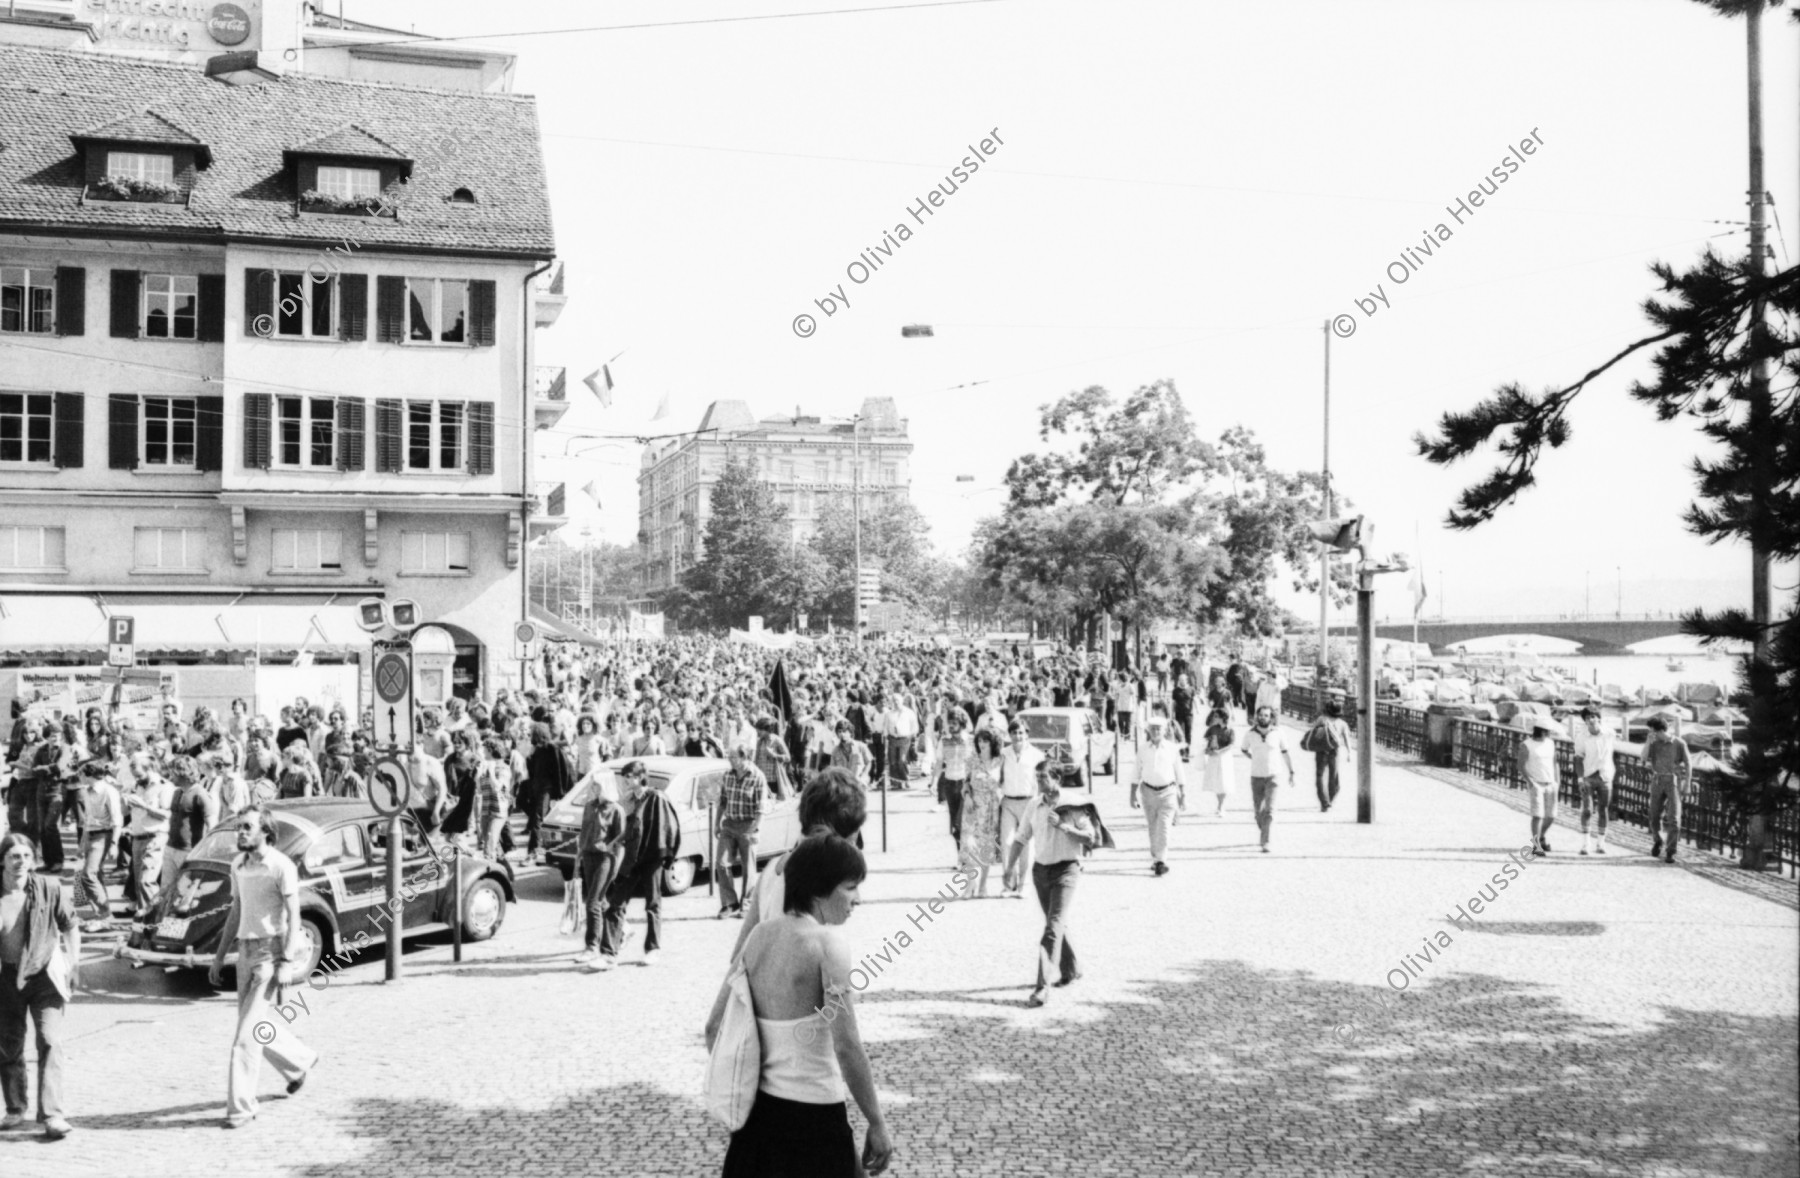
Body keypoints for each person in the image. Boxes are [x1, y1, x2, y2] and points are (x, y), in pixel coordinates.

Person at [711, 833, 892, 1177]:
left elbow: (718, 1025)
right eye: (851, 887)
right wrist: (877, 1123)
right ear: (820, 887)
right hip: (815, 1121)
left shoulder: (758, 936)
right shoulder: (828, 945)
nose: (858, 899)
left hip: (758, 1119)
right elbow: (848, 1045)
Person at [209, 808, 318, 1129]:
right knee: (253, 1025)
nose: (239, 833)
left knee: (244, 1037)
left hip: (270, 955)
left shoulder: (281, 866)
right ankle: (299, 1061)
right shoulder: (238, 865)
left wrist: (286, 961)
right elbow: (236, 911)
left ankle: (241, 1108)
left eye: (246, 827)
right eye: (238, 827)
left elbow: (293, 916)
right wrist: (219, 956)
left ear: (265, 832)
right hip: (244, 952)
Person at [0, 833, 78, 1140]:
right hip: (5, 978)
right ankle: (15, 1108)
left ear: (33, 860)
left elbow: (71, 926)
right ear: (2, 860)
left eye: (26, 856)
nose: (20, 863)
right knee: (8, 1045)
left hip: (44, 975)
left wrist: (74, 964)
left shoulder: (49, 887)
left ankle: (52, 1114)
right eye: (13, 856)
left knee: (49, 1040)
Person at [1006, 762, 1098, 1008]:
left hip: (1067, 871)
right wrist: (1009, 867)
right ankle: (1071, 968)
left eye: (1044, 777)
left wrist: (1064, 826)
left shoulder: (1073, 804)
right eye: (1037, 777)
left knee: (1052, 927)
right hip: (1041, 872)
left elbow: (1090, 837)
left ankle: (1041, 987)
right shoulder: (1034, 805)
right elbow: (1021, 837)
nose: (1039, 782)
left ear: (1056, 778)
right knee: (1054, 923)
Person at [600, 761, 680, 966]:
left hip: (651, 858)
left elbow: (667, 829)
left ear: (640, 777)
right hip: (632, 857)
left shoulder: (657, 797)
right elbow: (628, 830)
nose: (626, 780)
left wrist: (664, 857)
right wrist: (613, 843)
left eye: (630, 776)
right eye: (625, 776)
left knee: (653, 903)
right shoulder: (628, 800)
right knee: (616, 903)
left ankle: (653, 949)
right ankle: (609, 953)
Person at [572, 771, 625, 972]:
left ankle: (592, 945)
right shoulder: (589, 806)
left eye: (596, 785)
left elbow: (620, 840)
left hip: (605, 858)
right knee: (600, 901)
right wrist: (579, 854)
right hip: (588, 855)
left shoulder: (616, 810)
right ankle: (622, 930)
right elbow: (584, 832)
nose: (593, 788)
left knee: (593, 902)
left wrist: (616, 866)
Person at [714, 743, 768, 918]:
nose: (730, 760)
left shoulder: (757, 777)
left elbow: (761, 809)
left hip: (749, 824)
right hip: (729, 824)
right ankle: (730, 903)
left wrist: (754, 830)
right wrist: (717, 823)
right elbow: (723, 801)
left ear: (745, 757)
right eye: (729, 757)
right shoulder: (728, 775)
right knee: (722, 864)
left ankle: (747, 904)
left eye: (734, 757)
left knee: (749, 868)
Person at [1130, 715, 1186, 876]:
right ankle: (1156, 857)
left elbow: (1179, 772)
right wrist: (1132, 794)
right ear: (1148, 730)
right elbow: (1136, 772)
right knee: (1153, 827)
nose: (1155, 731)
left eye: (1158, 728)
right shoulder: (1142, 749)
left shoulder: (1171, 748)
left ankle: (1161, 860)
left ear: (1164, 731)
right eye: (1153, 728)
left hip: (1168, 792)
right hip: (1147, 792)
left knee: (1164, 828)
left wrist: (1183, 794)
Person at [123, 756, 175, 916]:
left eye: (139, 775)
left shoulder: (164, 786)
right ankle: (145, 920)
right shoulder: (135, 786)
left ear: (150, 769)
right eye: (134, 775)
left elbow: (167, 814)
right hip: (137, 837)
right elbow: (126, 812)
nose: (136, 779)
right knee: (140, 883)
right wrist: (124, 801)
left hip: (155, 836)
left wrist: (143, 805)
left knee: (147, 881)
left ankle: (153, 919)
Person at [996, 721, 1043, 898]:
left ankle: (1024, 886)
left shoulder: (1036, 755)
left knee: (1025, 846)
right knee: (1007, 843)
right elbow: (997, 776)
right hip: (1008, 801)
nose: (1018, 736)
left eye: (1021, 733)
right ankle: (1009, 886)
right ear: (1010, 735)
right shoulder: (1004, 754)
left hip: (1028, 802)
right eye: (1014, 732)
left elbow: (1040, 781)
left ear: (1027, 734)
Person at [72, 763, 122, 930]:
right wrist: (81, 844)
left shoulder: (109, 791)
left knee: (88, 874)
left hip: (104, 834)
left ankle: (104, 913)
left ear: (89, 775)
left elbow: (117, 820)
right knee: (96, 875)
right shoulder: (86, 791)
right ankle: (103, 916)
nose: (79, 777)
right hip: (91, 835)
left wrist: (114, 844)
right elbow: (87, 820)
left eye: (81, 774)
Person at [1240, 706, 1295, 853]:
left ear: (1271, 718)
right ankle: (1264, 830)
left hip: (1273, 776)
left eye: (1266, 715)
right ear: (1257, 717)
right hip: (1256, 776)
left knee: (1270, 811)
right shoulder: (1250, 734)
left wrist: (1291, 771)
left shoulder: (1278, 733)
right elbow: (1244, 749)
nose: (1263, 718)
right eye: (1261, 715)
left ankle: (1266, 841)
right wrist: (1253, 758)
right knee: (1258, 813)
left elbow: (1285, 752)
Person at [162, 756, 219, 897]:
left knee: (184, 891)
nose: (170, 777)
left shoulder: (200, 794)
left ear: (183, 773)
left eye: (173, 773)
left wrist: (205, 850)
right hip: (170, 847)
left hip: (188, 851)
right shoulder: (177, 792)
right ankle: (164, 918)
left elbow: (212, 824)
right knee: (166, 889)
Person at [959, 728, 1004, 897]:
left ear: (993, 743)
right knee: (969, 846)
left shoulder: (1000, 761)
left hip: (991, 809)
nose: (982, 744)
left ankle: (983, 885)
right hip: (973, 807)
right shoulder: (972, 760)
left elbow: (1005, 783)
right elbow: (965, 783)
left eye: (986, 741)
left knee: (987, 847)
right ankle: (970, 884)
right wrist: (968, 796)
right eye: (980, 741)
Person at [1642, 717, 1692, 864]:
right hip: (1657, 780)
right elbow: (1643, 758)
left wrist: (1687, 784)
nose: (1651, 734)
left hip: (1673, 781)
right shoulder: (1653, 743)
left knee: (1674, 818)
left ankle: (1671, 851)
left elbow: (1689, 764)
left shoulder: (1679, 743)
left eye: (1652, 731)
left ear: (1660, 731)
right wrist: (1647, 742)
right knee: (1653, 814)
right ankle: (1658, 840)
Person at [929, 710, 973, 857]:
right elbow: (939, 762)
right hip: (949, 783)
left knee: (962, 823)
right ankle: (962, 857)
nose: (951, 726)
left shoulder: (970, 740)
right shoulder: (944, 741)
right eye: (950, 724)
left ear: (961, 724)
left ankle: (968, 855)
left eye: (954, 724)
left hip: (965, 784)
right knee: (955, 824)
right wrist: (934, 783)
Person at [1575, 709, 1617, 856]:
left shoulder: (1609, 733)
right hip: (1588, 776)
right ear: (1585, 721)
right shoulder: (1581, 737)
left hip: (1605, 776)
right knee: (1587, 809)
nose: (1591, 720)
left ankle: (1601, 843)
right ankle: (1586, 843)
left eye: (1593, 717)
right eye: (1587, 718)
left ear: (1599, 719)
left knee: (1603, 809)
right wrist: (1580, 779)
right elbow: (1578, 758)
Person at [1518, 721, 1559, 857]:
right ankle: (1536, 846)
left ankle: (1541, 837)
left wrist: (1557, 781)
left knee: (1551, 815)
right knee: (1537, 815)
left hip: (1550, 782)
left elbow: (1554, 763)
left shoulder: (1550, 743)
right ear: (1541, 731)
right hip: (1536, 783)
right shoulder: (1527, 745)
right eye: (1547, 731)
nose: (1548, 734)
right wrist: (1530, 781)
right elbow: (1521, 765)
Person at [1304, 699, 1353, 812]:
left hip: (1321, 750)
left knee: (1320, 776)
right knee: (1334, 778)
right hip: (1334, 751)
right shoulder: (1343, 724)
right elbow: (1346, 739)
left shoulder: (1321, 719)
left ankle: (1324, 803)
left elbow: (1313, 732)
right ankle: (1329, 800)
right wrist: (1349, 752)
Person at [1199, 706, 1235, 817]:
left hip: (1224, 757)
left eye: (1216, 716)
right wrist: (1207, 749)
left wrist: (1220, 752)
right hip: (1213, 757)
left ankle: (1221, 806)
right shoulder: (1212, 729)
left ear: (1222, 717)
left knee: (1224, 781)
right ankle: (1219, 805)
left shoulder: (1230, 730)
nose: (1214, 718)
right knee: (1216, 780)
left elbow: (1231, 745)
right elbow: (1206, 741)